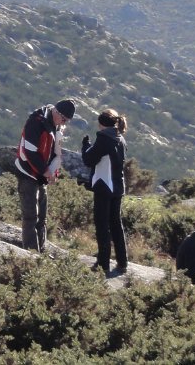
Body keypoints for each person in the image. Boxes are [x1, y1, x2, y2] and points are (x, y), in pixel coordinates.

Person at [14, 99, 74, 251]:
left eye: (67, 121)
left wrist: (54, 172)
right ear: (56, 112)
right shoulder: (36, 122)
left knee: (42, 218)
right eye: (64, 119)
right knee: (31, 217)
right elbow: (30, 152)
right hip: (28, 173)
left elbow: (54, 152)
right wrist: (46, 172)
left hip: (41, 176)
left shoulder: (55, 124)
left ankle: (41, 251)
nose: (64, 123)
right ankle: (31, 254)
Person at [82, 109, 128, 276]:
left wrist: (85, 146)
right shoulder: (120, 138)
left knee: (102, 226)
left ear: (101, 124)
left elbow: (89, 160)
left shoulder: (104, 138)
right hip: (118, 187)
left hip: (104, 186)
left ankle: (103, 264)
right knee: (116, 224)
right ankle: (122, 262)